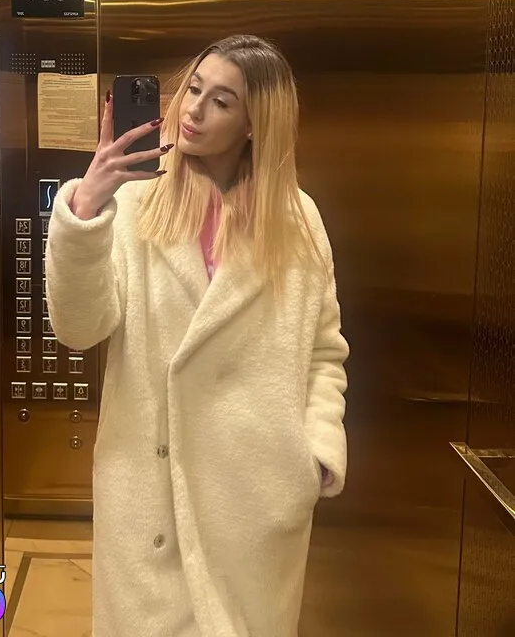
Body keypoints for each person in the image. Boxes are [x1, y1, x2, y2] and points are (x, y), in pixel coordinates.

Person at [44, 34, 349, 637]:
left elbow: (324, 350)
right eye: (194, 89)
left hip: (254, 504)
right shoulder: (136, 205)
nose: (193, 109)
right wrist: (84, 213)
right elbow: (78, 330)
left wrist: (314, 455)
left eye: (221, 101)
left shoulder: (298, 221)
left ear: (255, 124)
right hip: (149, 499)